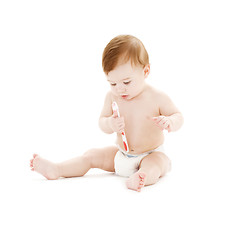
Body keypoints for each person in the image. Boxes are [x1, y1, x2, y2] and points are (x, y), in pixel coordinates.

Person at [30, 35, 184, 192]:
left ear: (146, 71)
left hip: (150, 153)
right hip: (122, 154)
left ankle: (141, 177)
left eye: (126, 82)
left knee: (158, 163)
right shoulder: (112, 97)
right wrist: (110, 123)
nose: (119, 89)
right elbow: (102, 121)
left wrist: (170, 121)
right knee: (91, 155)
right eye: (112, 83)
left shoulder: (157, 97)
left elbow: (178, 116)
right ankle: (57, 169)